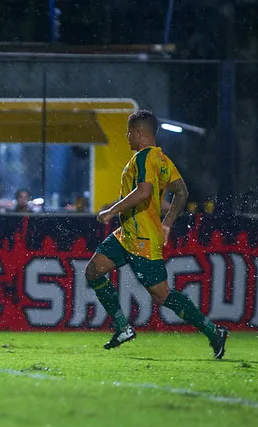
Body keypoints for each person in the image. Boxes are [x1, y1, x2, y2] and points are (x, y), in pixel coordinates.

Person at [85, 110, 228, 359]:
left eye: (129, 133)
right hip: (127, 234)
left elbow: (143, 192)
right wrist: (168, 223)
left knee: (162, 295)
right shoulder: (161, 159)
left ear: (139, 133)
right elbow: (182, 192)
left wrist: (111, 210)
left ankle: (213, 331)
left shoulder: (143, 159)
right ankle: (122, 327)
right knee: (94, 271)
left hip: (142, 240)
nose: (127, 137)